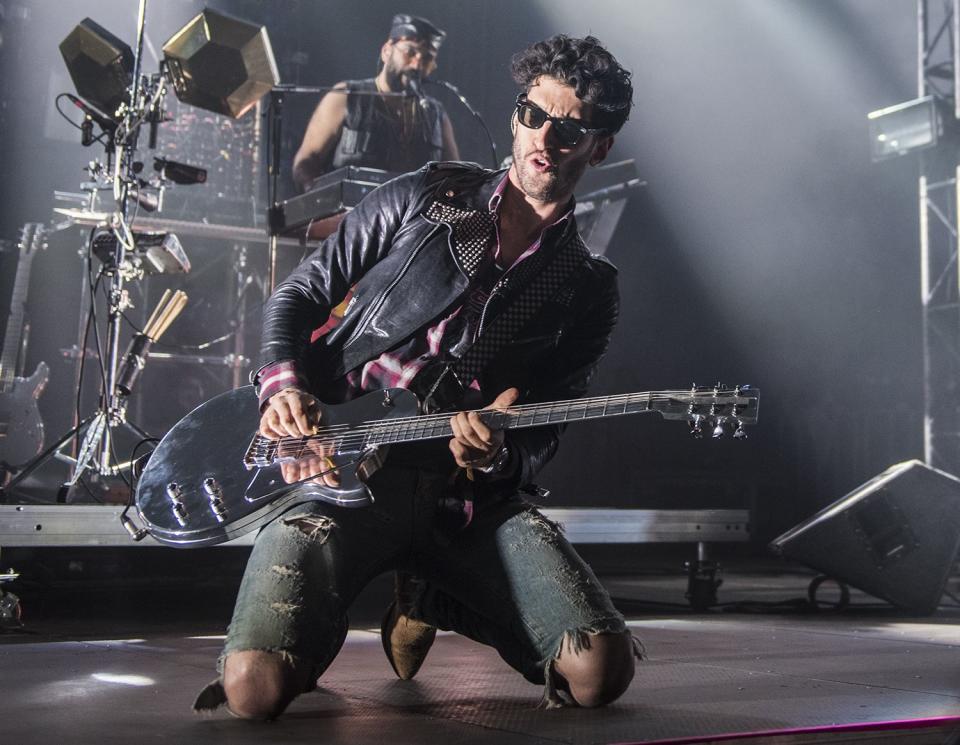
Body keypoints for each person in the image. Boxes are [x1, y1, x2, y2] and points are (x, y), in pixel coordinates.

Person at [196, 33, 638, 720]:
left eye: (569, 127)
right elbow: (298, 296)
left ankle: (431, 593)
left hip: (462, 503)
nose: (542, 138)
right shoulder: (425, 196)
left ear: (598, 146)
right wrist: (284, 386)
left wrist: (498, 454)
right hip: (343, 473)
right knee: (254, 691)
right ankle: (328, 611)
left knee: (599, 671)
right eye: (531, 114)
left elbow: (544, 428)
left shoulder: (587, 287)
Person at [292, 13, 460, 191]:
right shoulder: (346, 95)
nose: (416, 65)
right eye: (410, 52)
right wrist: (322, 203)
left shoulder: (435, 114)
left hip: (411, 217)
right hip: (352, 215)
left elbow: (456, 177)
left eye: (426, 58)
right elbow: (305, 163)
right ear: (387, 51)